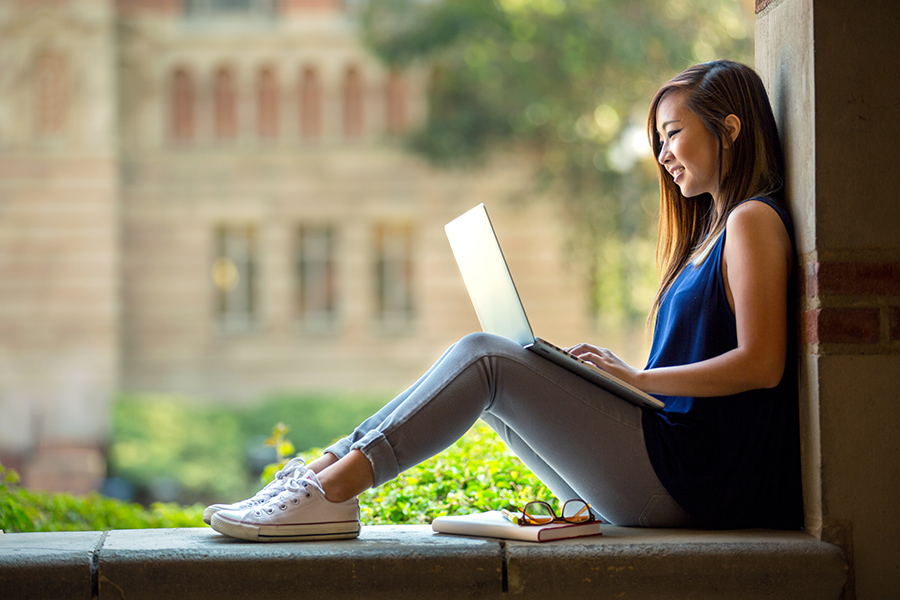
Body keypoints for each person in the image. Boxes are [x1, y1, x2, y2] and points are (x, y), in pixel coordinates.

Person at [205, 60, 802, 542]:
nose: (662, 154)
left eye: (672, 133)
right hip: (675, 470)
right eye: (659, 139)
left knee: (486, 359)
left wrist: (639, 376)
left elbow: (762, 363)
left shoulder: (752, 221)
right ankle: (317, 474)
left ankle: (333, 493)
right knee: (499, 384)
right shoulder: (711, 235)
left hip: (694, 481)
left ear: (730, 127)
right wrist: (616, 383)